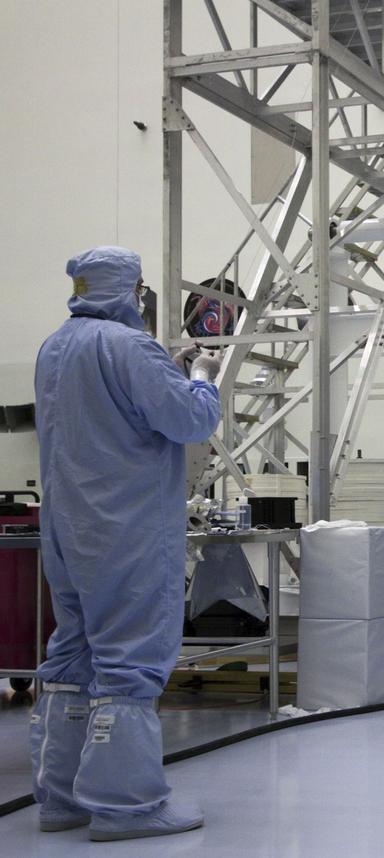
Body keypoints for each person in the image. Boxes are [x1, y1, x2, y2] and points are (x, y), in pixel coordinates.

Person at [29, 246, 221, 841]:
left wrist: (162, 360)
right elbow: (189, 422)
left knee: (73, 656)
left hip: (67, 529)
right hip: (126, 530)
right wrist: (199, 377)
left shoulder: (54, 347)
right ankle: (125, 805)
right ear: (126, 289)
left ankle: (60, 799)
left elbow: (107, 404)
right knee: (129, 662)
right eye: (138, 289)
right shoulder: (129, 347)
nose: (141, 298)